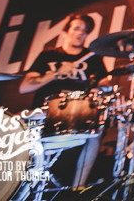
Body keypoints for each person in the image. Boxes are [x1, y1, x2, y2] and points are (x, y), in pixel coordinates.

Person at [20, 14, 110, 188]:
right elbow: (24, 87)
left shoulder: (93, 58)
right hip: (46, 111)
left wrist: (100, 88)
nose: (80, 33)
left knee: (96, 131)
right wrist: (56, 73)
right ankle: (28, 186)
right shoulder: (48, 55)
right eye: (76, 28)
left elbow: (104, 83)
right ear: (65, 32)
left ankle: (77, 188)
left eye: (85, 30)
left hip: (80, 111)